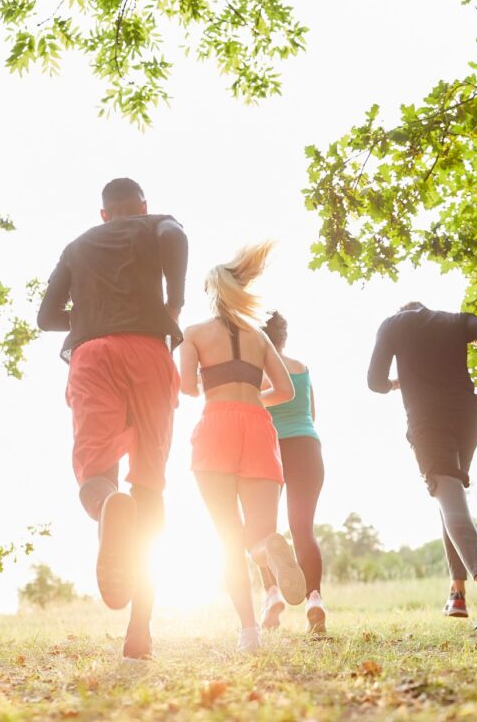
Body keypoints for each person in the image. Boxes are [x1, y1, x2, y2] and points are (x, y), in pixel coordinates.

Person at [37, 178, 187, 660]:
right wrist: (174, 304)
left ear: (103, 214)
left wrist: (85, 318)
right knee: (150, 487)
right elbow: (175, 237)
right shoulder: (154, 223)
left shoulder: (77, 245)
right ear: (142, 206)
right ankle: (139, 630)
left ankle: (107, 509)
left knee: (95, 476)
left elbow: (45, 317)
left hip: (93, 354)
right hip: (148, 350)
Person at [179, 243, 305, 654]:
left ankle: (248, 632)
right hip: (257, 428)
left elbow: (185, 387)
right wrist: (250, 396)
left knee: (225, 536)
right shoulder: (260, 337)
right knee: (259, 533)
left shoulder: (194, 334)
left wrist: (214, 388)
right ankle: (268, 547)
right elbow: (285, 391)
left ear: (211, 293)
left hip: (216, 426)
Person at [367, 301, 477, 644]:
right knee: (452, 502)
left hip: (427, 423)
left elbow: (373, 382)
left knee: (450, 501)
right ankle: (456, 594)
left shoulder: (392, 324)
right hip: (466, 419)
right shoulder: (454, 321)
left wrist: (394, 384)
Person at [257, 311, 327, 635]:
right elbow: (311, 413)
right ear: (284, 338)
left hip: (270, 448)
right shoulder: (302, 368)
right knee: (303, 530)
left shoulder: (255, 373)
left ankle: (271, 595)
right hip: (307, 448)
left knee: (264, 531)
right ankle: (315, 600)